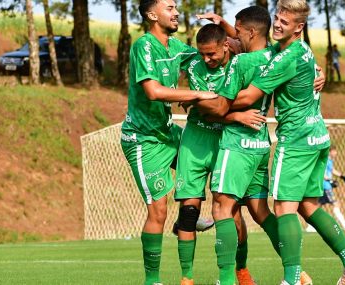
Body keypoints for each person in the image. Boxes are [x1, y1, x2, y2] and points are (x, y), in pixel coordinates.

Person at [230, 1, 345, 284]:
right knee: (309, 205)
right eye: (277, 18)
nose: (278, 24)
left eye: (285, 21)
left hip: (296, 141)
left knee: (284, 208)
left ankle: (292, 280)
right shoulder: (302, 51)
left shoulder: (285, 59)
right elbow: (254, 41)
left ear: (299, 27)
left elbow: (246, 98)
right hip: (317, 136)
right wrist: (226, 26)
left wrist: (206, 101)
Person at [119, 1, 218, 285]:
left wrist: (221, 25)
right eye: (170, 7)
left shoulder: (176, 47)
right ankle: (153, 281)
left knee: (204, 161)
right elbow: (153, 91)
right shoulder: (144, 46)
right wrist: (197, 95)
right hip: (143, 139)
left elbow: (217, 51)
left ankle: (185, 218)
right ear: (152, 15)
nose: (176, 12)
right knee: (157, 211)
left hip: (167, 132)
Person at [173, 23, 258, 285]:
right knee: (188, 211)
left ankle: (239, 270)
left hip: (228, 140)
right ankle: (187, 278)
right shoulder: (195, 67)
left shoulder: (242, 63)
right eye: (202, 54)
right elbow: (212, 109)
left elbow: (275, 54)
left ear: (225, 46)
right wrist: (236, 114)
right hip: (197, 138)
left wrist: (315, 70)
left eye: (211, 54)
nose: (206, 59)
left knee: (231, 212)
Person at [313, 145, 345, 231]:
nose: (336, 153)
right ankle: (344, 224)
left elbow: (331, 170)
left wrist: (342, 176)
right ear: (330, 152)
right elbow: (322, 173)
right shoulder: (325, 160)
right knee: (336, 204)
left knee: (317, 206)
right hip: (326, 186)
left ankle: (311, 227)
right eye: (334, 151)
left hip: (324, 186)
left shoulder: (330, 161)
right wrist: (331, 180)